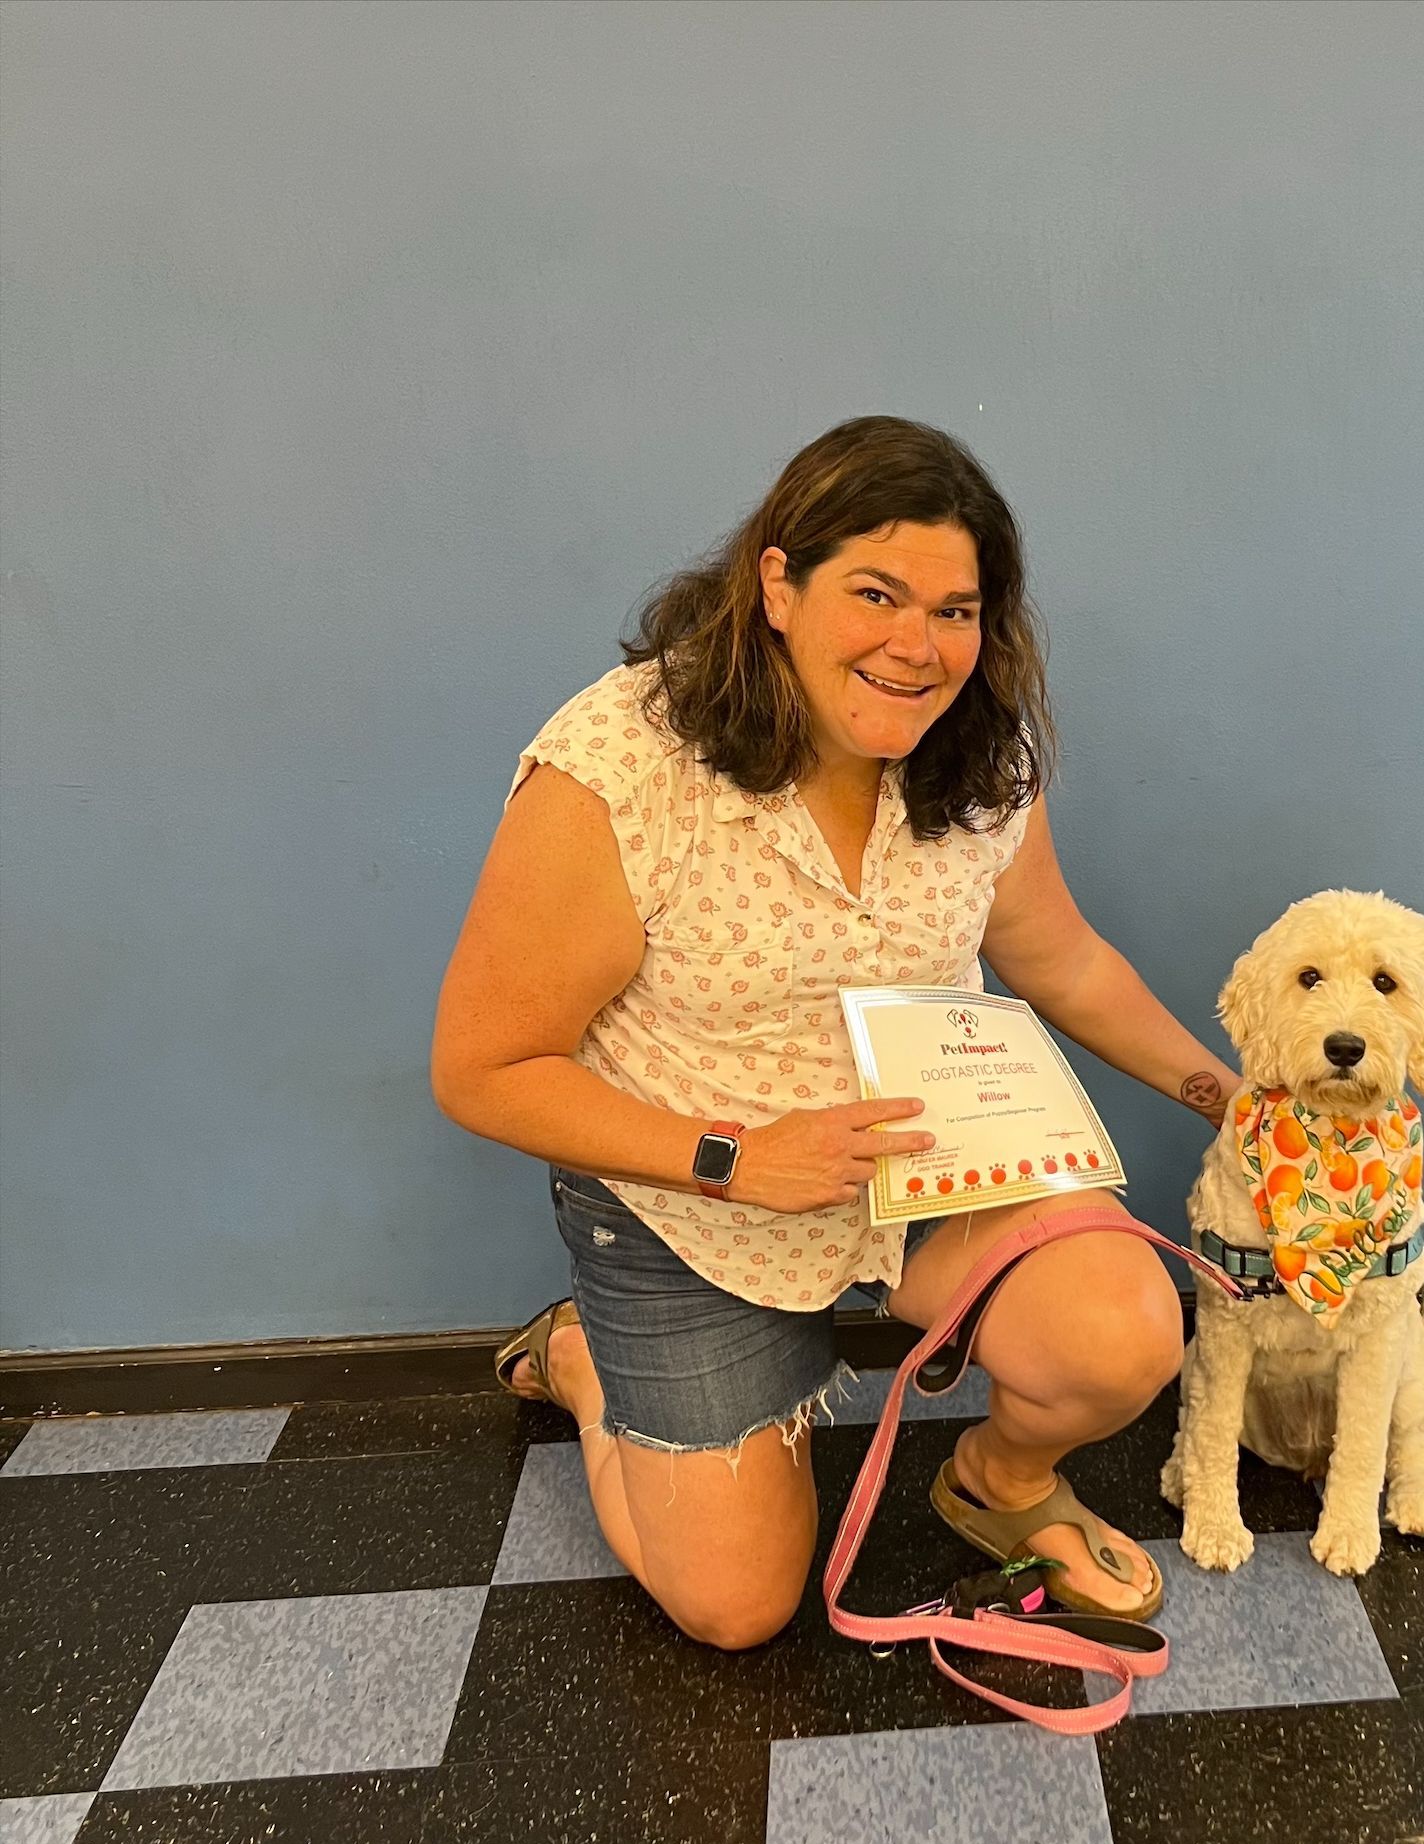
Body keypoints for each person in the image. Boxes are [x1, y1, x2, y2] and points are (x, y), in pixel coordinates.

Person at [432, 416, 1241, 1651]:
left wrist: (1222, 1095)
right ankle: (590, 1361)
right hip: (689, 1198)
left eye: (955, 611)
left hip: (927, 1164)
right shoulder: (619, 765)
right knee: (738, 1610)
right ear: (778, 585)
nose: (916, 648)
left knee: (1124, 1325)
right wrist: (735, 1158)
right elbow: (483, 1069)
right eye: (876, 593)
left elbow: (1058, 955)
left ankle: (1001, 1485)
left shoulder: (973, 750)